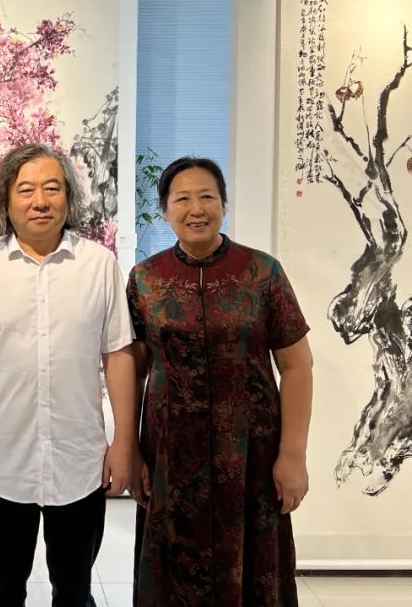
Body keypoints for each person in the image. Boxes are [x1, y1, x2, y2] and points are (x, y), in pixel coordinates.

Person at [0, 143, 137, 607]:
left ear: (68, 197)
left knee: (73, 590)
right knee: (1, 590)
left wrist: (123, 443)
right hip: (1, 462)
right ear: (6, 200)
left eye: (52, 188)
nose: (40, 201)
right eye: (26, 189)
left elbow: (118, 355)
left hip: (79, 461)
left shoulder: (99, 265)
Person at [126, 156, 314, 606]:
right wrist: (129, 449)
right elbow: (133, 369)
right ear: (165, 210)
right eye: (182, 199)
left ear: (224, 205)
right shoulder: (145, 280)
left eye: (207, 197)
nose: (196, 209)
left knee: (252, 570)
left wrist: (292, 455)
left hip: (251, 456)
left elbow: (297, 366)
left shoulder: (262, 273)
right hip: (171, 455)